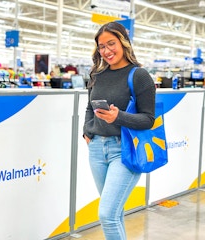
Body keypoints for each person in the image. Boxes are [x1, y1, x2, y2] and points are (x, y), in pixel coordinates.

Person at [83, 22, 155, 240]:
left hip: (124, 150)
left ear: (124, 42)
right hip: (96, 149)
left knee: (107, 214)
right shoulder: (97, 74)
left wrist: (119, 117)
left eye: (111, 44)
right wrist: (87, 131)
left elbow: (148, 119)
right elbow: (90, 106)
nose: (106, 51)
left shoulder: (139, 75)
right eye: (101, 47)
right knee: (115, 212)